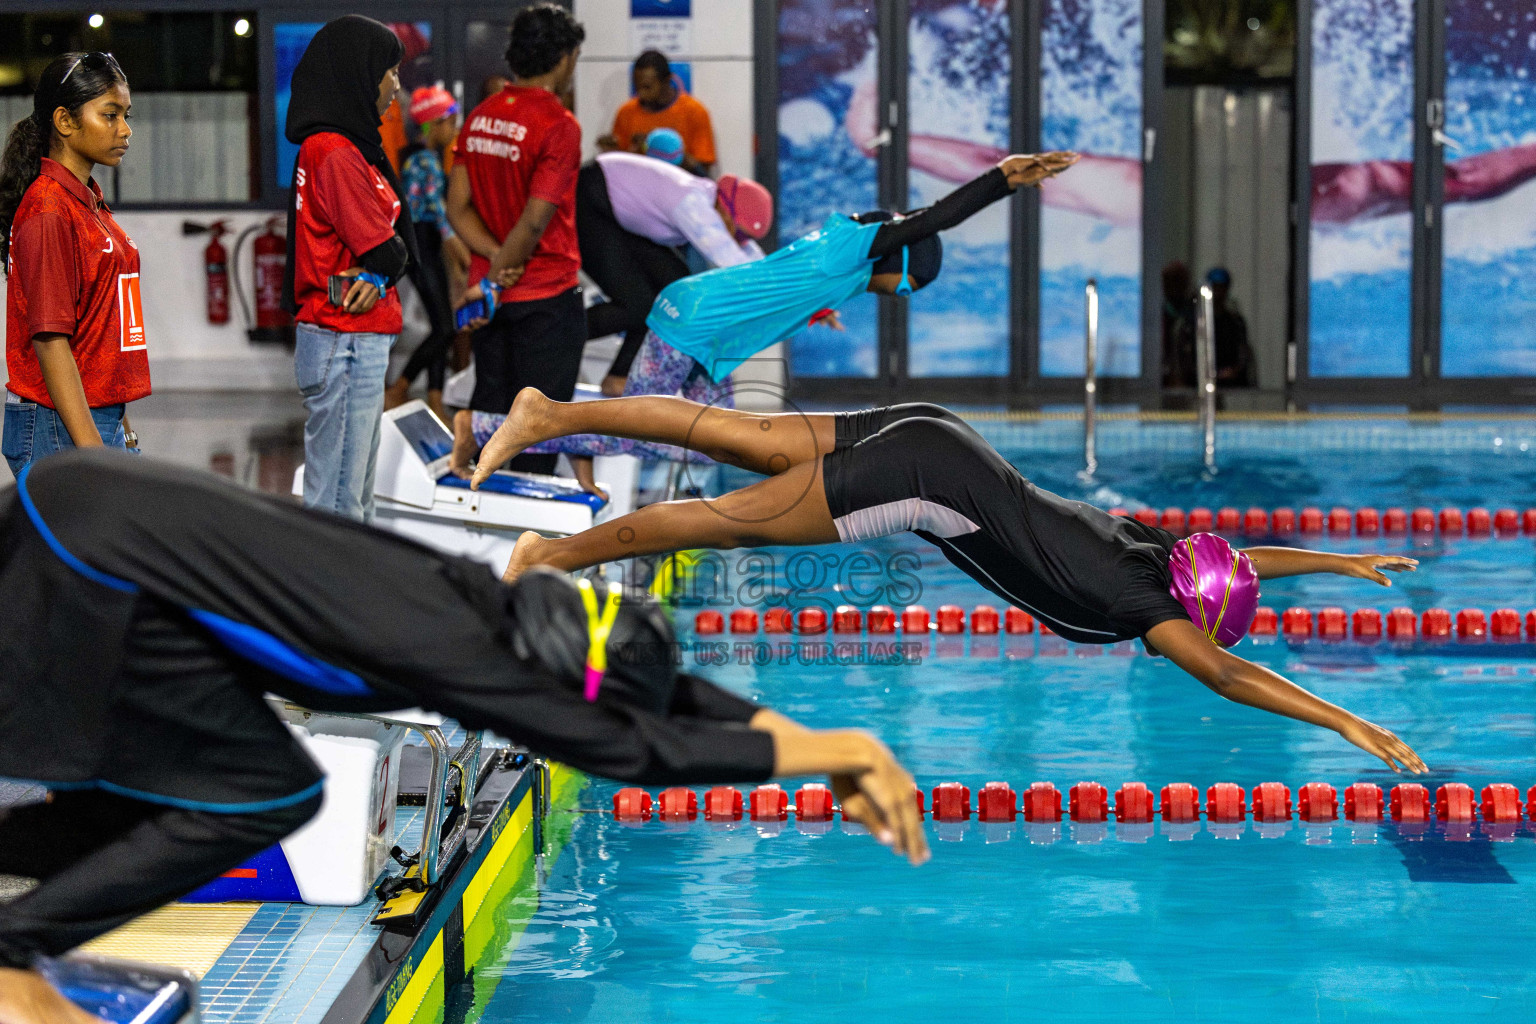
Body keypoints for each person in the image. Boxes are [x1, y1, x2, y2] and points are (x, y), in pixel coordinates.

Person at [0, 450, 927, 1024]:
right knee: (269, 789)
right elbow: (632, 751)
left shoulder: (492, 605)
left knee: (175, 790)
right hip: (96, 557)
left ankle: (23, 936)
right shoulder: (463, 654)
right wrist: (845, 749)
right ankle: (11, 960)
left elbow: (662, 695)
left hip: (89, 512)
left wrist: (794, 730)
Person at [472, 391, 1430, 779]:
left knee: (728, 435)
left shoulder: (1153, 552)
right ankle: (544, 559)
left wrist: (1341, 561)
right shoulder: (1151, 609)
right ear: (1197, 615)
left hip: (939, 433)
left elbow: (1238, 561)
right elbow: (1226, 676)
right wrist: (1343, 719)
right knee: (716, 523)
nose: (1208, 639)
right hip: (922, 481)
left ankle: (550, 413)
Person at [450, 152, 1078, 478]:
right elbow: (933, 218)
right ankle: (486, 427)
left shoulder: (845, 259)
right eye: (908, 287)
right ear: (901, 258)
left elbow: (779, 283)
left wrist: (817, 313)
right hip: (690, 325)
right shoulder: (858, 247)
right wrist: (1002, 179)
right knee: (648, 430)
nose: (899, 296)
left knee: (721, 442)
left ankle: (576, 433)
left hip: (705, 327)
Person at [283, 16, 418, 523]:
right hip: (344, 339)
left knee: (354, 498)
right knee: (339, 506)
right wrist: (388, 265)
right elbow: (387, 250)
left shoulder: (348, 148)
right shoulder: (334, 151)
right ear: (360, 74)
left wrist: (388, 264)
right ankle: (325, 600)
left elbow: (391, 250)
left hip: (354, 338)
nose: (396, 86)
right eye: (390, 71)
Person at [447, 3, 586, 477]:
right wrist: (507, 265)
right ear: (565, 57)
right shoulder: (559, 125)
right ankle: (528, 538)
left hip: (490, 299)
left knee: (491, 413)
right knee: (538, 430)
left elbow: (457, 207)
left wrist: (491, 266)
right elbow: (533, 222)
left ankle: (482, 529)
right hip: (544, 296)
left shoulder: (480, 117)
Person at [0, 52, 148, 479]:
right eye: (110, 115)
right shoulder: (48, 210)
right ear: (65, 122)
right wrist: (93, 453)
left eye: (126, 115)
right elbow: (50, 341)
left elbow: (101, 335)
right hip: (56, 425)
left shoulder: (87, 202)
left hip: (93, 418)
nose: (126, 130)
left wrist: (123, 433)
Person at [579, 152, 772, 397]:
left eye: (746, 237)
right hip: (590, 197)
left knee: (671, 292)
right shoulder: (692, 202)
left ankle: (619, 376)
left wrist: (812, 301)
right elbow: (730, 261)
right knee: (638, 306)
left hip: (616, 211)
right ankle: (548, 339)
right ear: (725, 210)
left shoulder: (713, 203)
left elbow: (754, 259)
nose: (740, 241)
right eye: (740, 233)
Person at [385, 86, 472, 420]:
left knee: (442, 324)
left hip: (425, 243)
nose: (453, 129)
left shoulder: (422, 156)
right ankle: (400, 387)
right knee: (445, 328)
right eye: (450, 121)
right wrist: (456, 243)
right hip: (419, 244)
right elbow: (435, 209)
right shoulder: (423, 159)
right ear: (434, 124)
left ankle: (436, 397)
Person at [600, 51, 716, 177]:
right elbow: (619, 167)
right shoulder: (626, 112)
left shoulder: (694, 111)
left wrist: (663, 149)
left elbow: (704, 170)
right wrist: (611, 151)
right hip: (638, 190)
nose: (641, 93)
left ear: (667, 81)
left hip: (680, 190)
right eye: (637, 87)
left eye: (647, 87)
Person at [1205, 267, 1256, 388]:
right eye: (1215, 287)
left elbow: (1243, 352)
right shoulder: (1195, 323)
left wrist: (1234, 371)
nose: (1218, 293)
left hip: (1231, 384)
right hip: (1203, 382)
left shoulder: (1235, 322)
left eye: (1221, 288)